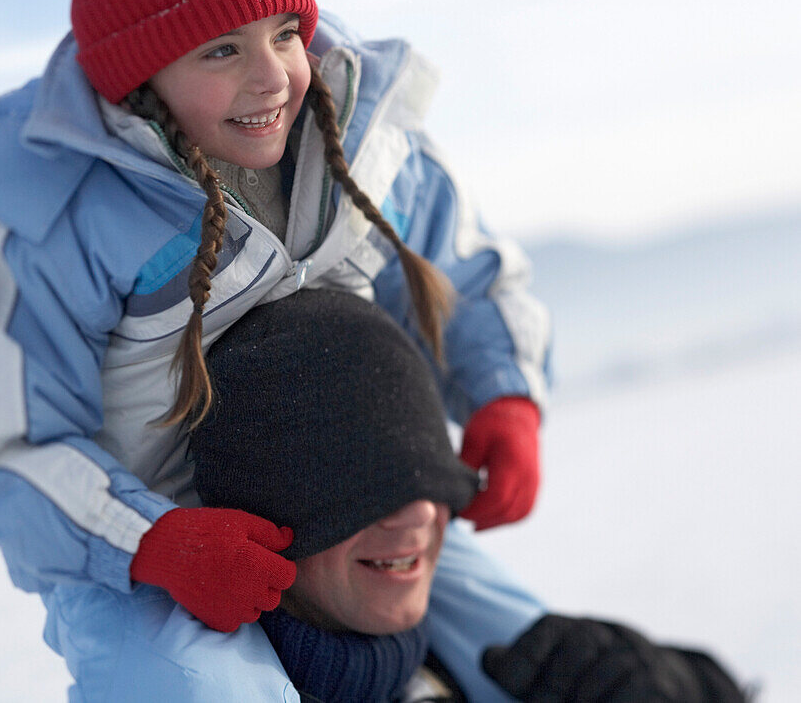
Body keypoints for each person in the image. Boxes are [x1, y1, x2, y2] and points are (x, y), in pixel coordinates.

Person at [0, 0, 549, 699]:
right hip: (148, 547)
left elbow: (464, 272)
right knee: (197, 687)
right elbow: (9, 446)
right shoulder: (44, 209)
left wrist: (504, 396)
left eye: (286, 33)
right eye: (221, 51)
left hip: (348, 513)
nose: (273, 78)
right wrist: (154, 544)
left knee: (537, 659)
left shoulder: (352, 120)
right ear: (140, 71)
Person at [191, 289, 746, 702]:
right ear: (259, 518)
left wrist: (669, 685)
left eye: (432, 474)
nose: (420, 512)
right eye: (361, 489)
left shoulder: (504, 660)